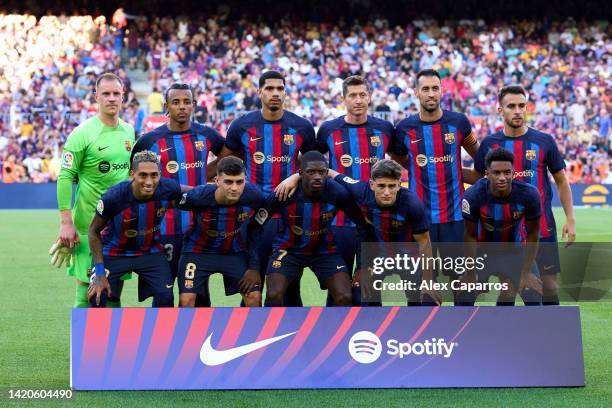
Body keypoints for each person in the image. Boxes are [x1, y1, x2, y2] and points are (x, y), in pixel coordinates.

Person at [217, 70, 317, 306]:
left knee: (289, 286)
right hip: (253, 218)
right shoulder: (242, 126)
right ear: (259, 91)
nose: (275, 93)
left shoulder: (301, 127)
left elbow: (313, 164)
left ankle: (292, 338)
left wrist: (295, 176)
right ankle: (250, 337)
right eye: (269, 89)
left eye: (280, 89)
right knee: (252, 287)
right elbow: (226, 163)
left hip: (290, 216)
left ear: (285, 93)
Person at [473, 85, 576, 305]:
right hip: (505, 233)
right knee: (508, 287)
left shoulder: (544, 141)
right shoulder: (490, 145)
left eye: (522, 105)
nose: (518, 110)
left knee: (547, 286)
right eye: (511, 106)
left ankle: (551, 336)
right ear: (500, 110)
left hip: (542, 226)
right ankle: (508, 337)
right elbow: (478, 181)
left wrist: (570, 219)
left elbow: (561, 180)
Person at [132, 82, 225, 307]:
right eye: (176, 102)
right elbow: (135, 176)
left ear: (194, 105)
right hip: (162, 227)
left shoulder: (207, 135)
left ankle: (200, 341)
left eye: (186, 102)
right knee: (163, 295)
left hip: (198, 228)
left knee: (198, 293)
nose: (181, 107)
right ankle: (162, 340)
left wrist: (205, 174)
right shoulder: (149, 141)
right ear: (166, 106)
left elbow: (229, 158)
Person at [392, 69, 480, 304]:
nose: (431, 94)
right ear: (416, 93)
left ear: (441, 91)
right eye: (425, 89)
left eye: (435, 88)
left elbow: (482, 162)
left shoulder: (459, 122)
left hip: (455, 220)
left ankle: (463, 338)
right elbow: (400, 164)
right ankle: (422, 339)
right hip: (420, 222)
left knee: (463, 290)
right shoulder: (404, 129)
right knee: (419, 291)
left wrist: (457, 173)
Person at [314, 75, 400, 303]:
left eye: (362, 94)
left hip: (374, 223)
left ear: (370, 97)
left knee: (370, 292)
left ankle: (373, 336)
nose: (358, 100)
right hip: (338, 223)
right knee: (338, 291)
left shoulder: (385, 129)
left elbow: (400, 160)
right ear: (343, 98)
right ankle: (332, 336)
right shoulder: (328, 130)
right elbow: (313, 162)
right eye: (352, 95)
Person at [52, 72, 135, 308]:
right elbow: (66, 176)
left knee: (114, 286)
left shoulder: (128, 131)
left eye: (116, 94)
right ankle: (82, 345)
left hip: (119, 223)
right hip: (88, 223)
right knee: (85, 285)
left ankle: (110, 344)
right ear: (95, 96)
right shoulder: (82, 133)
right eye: (106, 94)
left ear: (123, 96)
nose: (111, 98)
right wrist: (65, 222)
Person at [253, 151, 367, 306]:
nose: (317, 176)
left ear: (327, 173)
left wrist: (361, 267)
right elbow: (255, 225)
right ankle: (274, 330)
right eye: (311, 172)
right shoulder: (285, 192)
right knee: (274, 295)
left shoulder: (338, 193)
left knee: (345, 297)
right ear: (300, 173)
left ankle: (336, 330)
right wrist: (253, 266)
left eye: (321, 172)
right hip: (288, 250)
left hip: (324, 251)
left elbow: (362, 225)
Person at [330, 159, 439, 306]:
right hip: (378, 257)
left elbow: (425, 243)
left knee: (428, 300)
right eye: (381, 186)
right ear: (372, 184)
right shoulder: (360, 191)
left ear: (399, 185)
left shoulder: (412, 204)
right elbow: (330, 173)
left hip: (409, 258)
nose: (387, 192)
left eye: (392, 186)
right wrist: (296, 176)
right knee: (360, 295)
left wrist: (428, 281)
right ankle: (374, 325)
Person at [87, 151, 184, 307]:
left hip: (150, 252)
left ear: (160, 174)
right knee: (97, 296)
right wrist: (99, 271)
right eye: (143, 175)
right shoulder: (113, 197)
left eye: (154, 175)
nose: (149, 181)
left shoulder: (169, 189)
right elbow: (93, 231)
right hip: (114, 252)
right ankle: (98, 331)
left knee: (166, 298)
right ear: (132, 174)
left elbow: (190, 192)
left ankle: (158, 331)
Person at [176, 156, 264, 307]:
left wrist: (254, 267)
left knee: (254, 297)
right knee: (186, 300)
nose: (235, 188)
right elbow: (168, 198)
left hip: (233, 253)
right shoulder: (198, 196)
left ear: (245, 180)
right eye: (228, 182)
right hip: (198, 253)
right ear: (217, 181)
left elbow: (256, 229)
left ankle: (251, 330)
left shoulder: (254, 196)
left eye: (239, 182)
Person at [462, 148, 542, 306]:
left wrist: (526, 273)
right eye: (496, 173)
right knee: (464, 293)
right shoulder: (473, 196)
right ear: (487, 173)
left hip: (516, 251)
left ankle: (511, 328)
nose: (502, 178)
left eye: (507, 172)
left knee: (533, 291)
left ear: (513, 173)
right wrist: (470, 273)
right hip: (482, 253)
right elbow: (470, 235)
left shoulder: (529, 195)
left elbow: (533, 233)